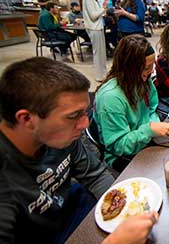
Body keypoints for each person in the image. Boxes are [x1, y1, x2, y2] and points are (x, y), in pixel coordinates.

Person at [0, 57, 158, 244]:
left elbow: (95, 174)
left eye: (84, 112)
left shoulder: (60, 138)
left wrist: (123, 212)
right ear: (26, 119)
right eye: (74, 116)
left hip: (72, 209)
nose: (85, 124)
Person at [94, 35, 169, 171]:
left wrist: (154, 126)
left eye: (152, 65)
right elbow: (118, 145)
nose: (152, 71)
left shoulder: (142, 79)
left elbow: (151, 110)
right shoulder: (111, 98)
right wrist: (149, 130)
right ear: (129, 68)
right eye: (147, 67)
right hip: (123, 155)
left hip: (144, 139)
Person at [82, 0, 108, 81]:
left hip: (98, 27)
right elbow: (93, 15)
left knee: (102, 52)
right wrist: (103, 8)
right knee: (98, 53)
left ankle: (103, 73)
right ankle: (99, 75)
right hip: (94, 28)